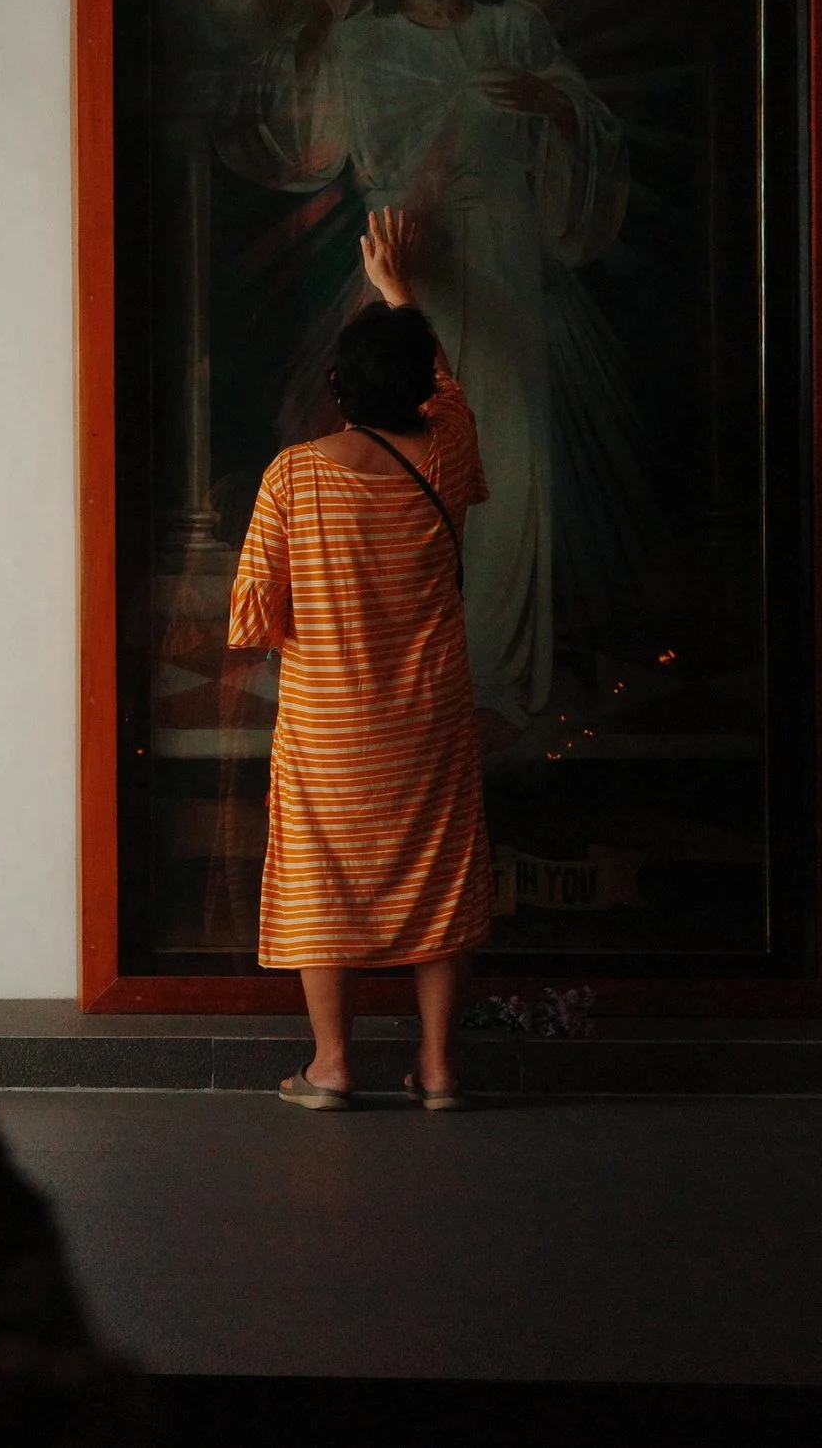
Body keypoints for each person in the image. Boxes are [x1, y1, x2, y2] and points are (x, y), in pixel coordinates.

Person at [219, 0, 639, 730]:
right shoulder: (362, 38)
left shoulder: (515, 27)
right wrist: (323, 26)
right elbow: (305, 145)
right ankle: (405, 674)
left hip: (507, 260)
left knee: (508, 462)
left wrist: (559, 110)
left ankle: (492, 674)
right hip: (410, 261)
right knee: (406, 459)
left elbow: (590, 128)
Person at [229, 207, 493, 1110]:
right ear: (419, 385)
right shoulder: (448, 451)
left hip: (329, 723)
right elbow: (449, 397)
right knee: (440, 877)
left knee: (322, 875)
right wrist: (401, 293)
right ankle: (440, 1068)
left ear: (337, 386)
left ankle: (334, 1065)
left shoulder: (292, 475)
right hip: (431, 717)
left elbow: (254, 617)